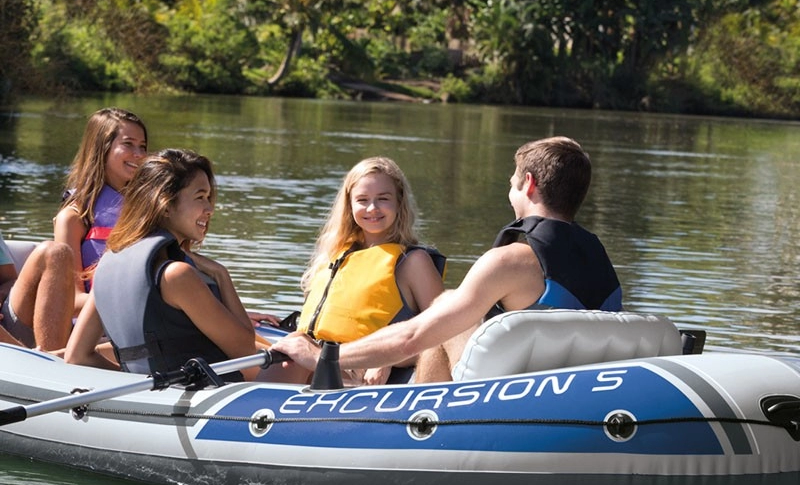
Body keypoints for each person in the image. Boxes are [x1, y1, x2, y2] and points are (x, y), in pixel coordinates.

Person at [275, 136, 622, 383]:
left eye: (512, 184)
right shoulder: (601, 262)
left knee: (449, 313)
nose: (510, 192)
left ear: (528, 184)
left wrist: (323, 357)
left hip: (491, 407)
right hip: (566, 394)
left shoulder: (507, 261)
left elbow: (415, 336)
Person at [65, 149, 263, 381]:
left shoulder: (107, 265)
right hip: (198, 400)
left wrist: (134, 381)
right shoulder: (177, 275)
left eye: (208, 198)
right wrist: (221, 275)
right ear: (165, 205)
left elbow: (77, 356)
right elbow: (246, 351)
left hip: (154, 395)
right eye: (200, 197)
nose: (209, 209)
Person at [268, 156, 445, 384]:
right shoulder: (334, 254)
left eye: (383, 198)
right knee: (291, 345)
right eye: (362, 200)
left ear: (399, 202)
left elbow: (443, 336)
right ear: (349, 204)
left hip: (358, 372)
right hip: (308, 357)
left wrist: (387, 359)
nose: (372, 208)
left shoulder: (413, 262)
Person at [53, 107, 148, 314]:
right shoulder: (73, 218)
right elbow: (71, 301)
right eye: (128, 144)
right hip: (93, 332)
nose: (139, 155)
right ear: (101, 148)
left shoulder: (149, 212)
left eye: (143, 146)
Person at [0, 233, 75, 350]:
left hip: (6, 319)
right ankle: (36, 360)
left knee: (56, 252)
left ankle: (51, 360)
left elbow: (9, 280)